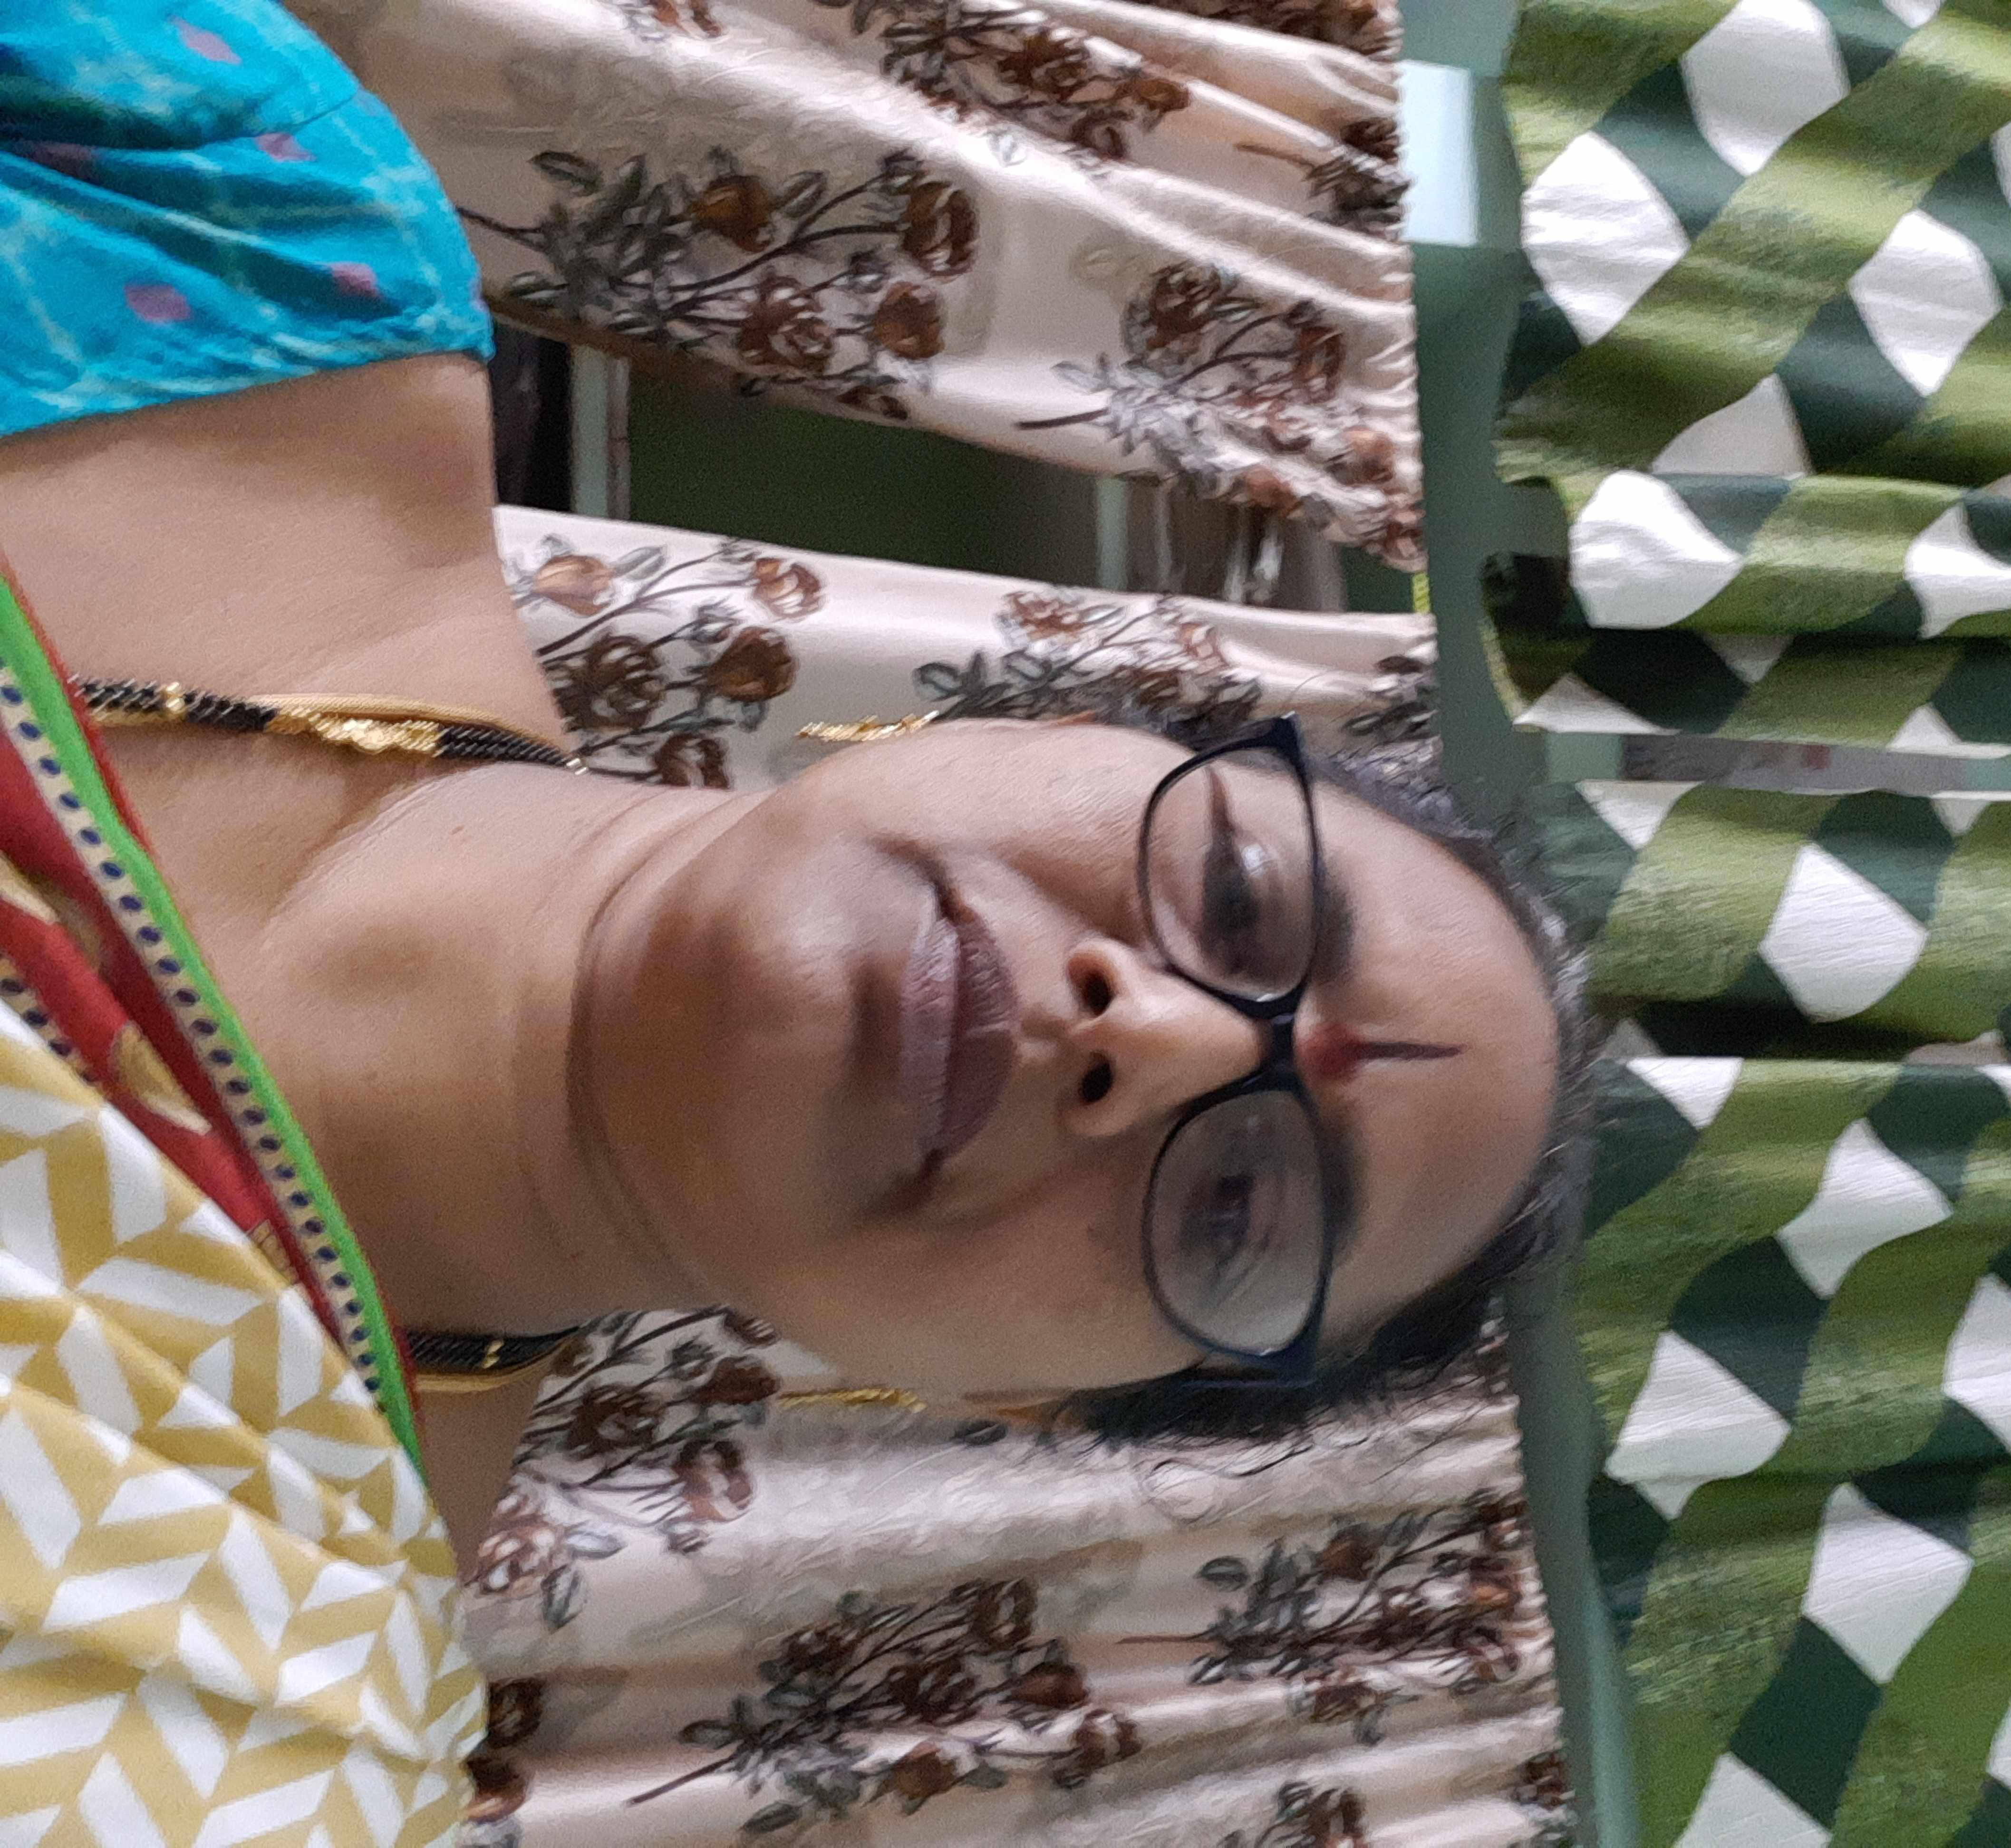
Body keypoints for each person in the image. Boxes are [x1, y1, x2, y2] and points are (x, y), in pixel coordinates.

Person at [0, 4, 1584, 1841]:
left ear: (1030, 1404)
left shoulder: (251, 1725)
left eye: (1238, 1210)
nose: (1151, 1038)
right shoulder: (224, 208)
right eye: (1236, 897)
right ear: (1065, 722)